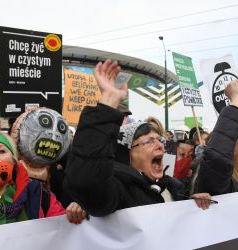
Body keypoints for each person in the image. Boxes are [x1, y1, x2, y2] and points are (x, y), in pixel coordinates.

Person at [64, 59, 212, 223]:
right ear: (128, 153)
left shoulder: (174, 187)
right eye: (149, 141)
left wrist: (193, 203)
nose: (160, 145)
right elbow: (87, 178)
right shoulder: (118, 192)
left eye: (159, 139)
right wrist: (108, 101)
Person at [0, 129, 65, 227]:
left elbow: (63, 226)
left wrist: (76, 214)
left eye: (1, 151)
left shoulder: (37, 193)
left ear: (13, 159)